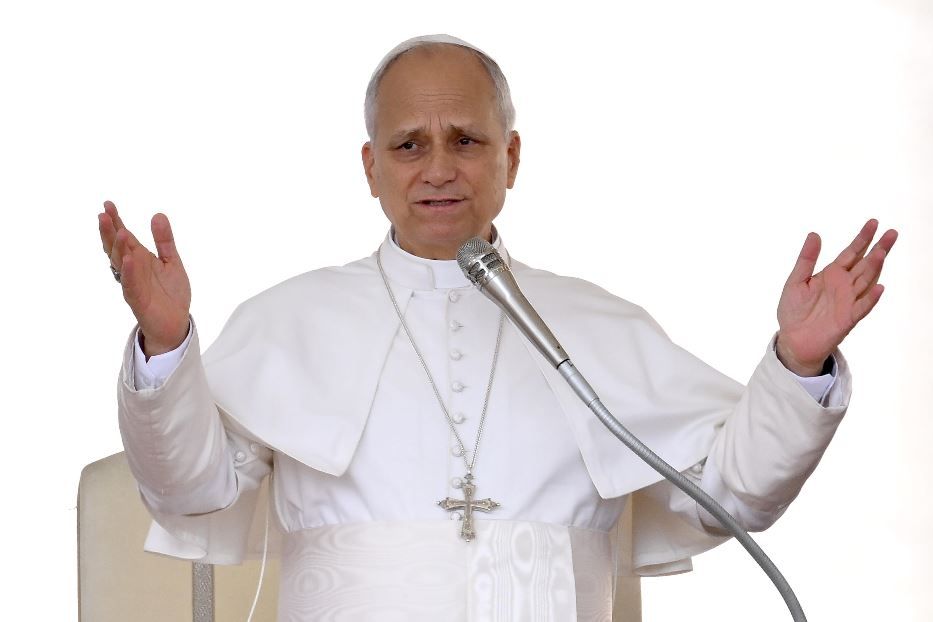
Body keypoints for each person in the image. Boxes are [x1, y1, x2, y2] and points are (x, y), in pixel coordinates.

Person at [98, 34, 897, 620]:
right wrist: (169, 349)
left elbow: (728, 494)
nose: (438, 167)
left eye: (466, 141)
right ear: (371, 167)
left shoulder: (594, 324)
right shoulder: (288, 321)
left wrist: (797, 363)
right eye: (409, 144)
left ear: (510, 157)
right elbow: (191, 492)